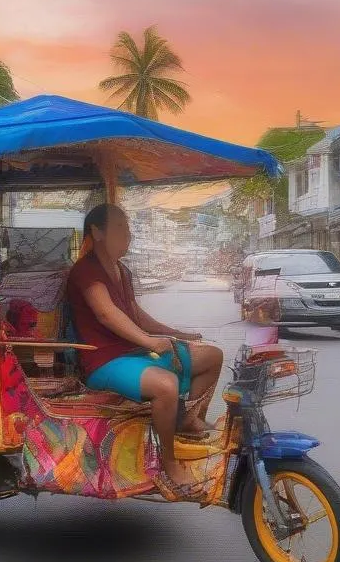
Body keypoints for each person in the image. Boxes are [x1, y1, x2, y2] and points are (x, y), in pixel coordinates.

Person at [66, 203, 224, 493]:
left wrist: (174, 333)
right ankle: (169, 463)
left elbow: (134, 314)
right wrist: (151, 342)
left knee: (212, 356)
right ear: (97, 232)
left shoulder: (122, 270)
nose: (128, 234)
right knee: (166, 385)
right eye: (120, 227)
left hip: (136, 354)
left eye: (128, 228)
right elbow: (106, 313)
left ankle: (189, 421)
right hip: (104, 362)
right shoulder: (85, 270)